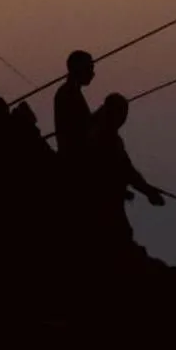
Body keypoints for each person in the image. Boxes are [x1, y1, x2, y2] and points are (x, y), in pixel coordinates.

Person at [87, 93, 163, 242]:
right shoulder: (104, 138)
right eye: (121, 112)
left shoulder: (106, 136)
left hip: (108, 199)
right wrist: (147, 191)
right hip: (103, 204)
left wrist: (147, 190)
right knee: (120, 236)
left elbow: (126, 170)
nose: (123, 118)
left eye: (125, 113)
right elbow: (125, 171)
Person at [53, 51, 96, 159]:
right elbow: (77, 130)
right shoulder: (68, 93)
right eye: (89, 68)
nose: (92, 73)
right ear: (78, 69)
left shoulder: (70, 91)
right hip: (74, 158)